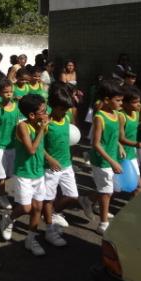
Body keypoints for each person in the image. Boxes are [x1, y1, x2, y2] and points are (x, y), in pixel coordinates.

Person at [41, 85, 89, 242]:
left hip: (66, 165)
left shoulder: (67, 119)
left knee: (72, 195)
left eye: (67, 109)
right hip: (50, 168)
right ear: (53, 106)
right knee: (48, 198)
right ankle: (49, 230)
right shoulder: (46, 123)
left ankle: (53, 213)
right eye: (62, 109)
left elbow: (70, 139)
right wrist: (49, 158)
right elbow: (37, 147)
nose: (65, 112)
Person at [4, 94, 49, 255]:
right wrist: (41, 129)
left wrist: (49, 159)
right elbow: (31, 150)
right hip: (24, 173)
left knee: (38, 207)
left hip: (38, 172)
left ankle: (31, 239)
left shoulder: (40, 124)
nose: (46, 114)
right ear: (31, 115)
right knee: (25, 207)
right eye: (43, 111)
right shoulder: (23, 127)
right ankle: (9, 218)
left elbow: (41, 147)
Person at [83, 80, 124, 235]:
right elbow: (96, 144)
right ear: (107, 100)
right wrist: (112, 161)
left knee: (108, 189)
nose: (121, 103)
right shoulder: (99, 117)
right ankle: (103, 223)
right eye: (118, 100)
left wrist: (119, 145)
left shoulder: (117, 115)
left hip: (112, 156)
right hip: (102, 160)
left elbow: (114, 136)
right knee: (107, 191)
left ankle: (88, 200)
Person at [117, 85, 141, 196]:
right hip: (121, 155)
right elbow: (121, 139)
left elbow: (137, 128)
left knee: (136, 186)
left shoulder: (135, 113)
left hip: (131, 154)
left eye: (139, 101)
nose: (139, 104)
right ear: (124, 103)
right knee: (120, 187)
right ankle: (90, 200)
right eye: (135, 102)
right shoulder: (121, 116)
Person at [0, 78, 19, 217]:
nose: (9, 94)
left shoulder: (16, 107)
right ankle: (1, 196)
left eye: (11, 92)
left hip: (12, 146)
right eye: (6, 92)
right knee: (0, 175)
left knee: (8, 173)